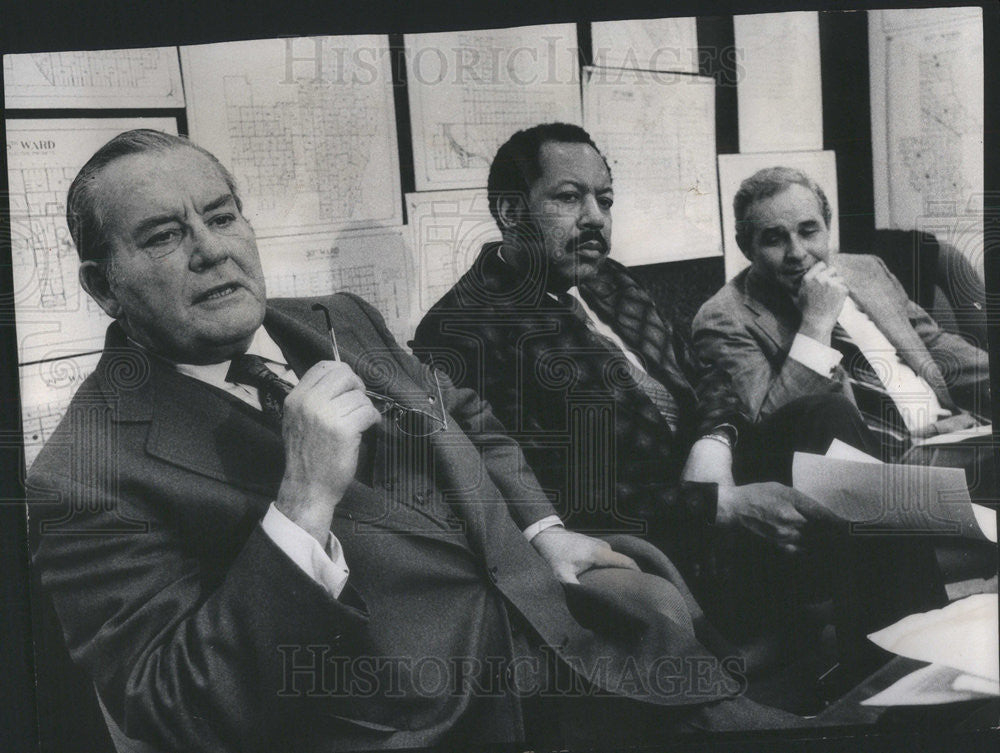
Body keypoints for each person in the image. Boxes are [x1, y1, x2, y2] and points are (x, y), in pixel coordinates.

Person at [25, 130, 805, 753]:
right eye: (164, 235)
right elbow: (180, 709)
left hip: (569, 640)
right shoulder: (85, 474)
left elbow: (464, 411)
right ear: (102, 286)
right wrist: (301, 502)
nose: (210, 248)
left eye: (222, 215)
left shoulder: (337, 319)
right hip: (431, 723)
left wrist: (546, 528)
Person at [411, 124, 945, 670]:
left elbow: (707, 377)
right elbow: (557, 498)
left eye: (605, 199)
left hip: (711, 479)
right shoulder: (463, 330)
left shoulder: (608, 280)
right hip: (658, 535)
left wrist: (714, 444)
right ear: (509, 211)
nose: (594, 217)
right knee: (863, 515)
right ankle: (896, 673)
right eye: (569, 197)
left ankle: (913, 656)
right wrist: (722, 506)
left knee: (826, 416)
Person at [691, 167, 992, 472]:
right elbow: (773, 430)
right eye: (774, 239)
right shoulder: (724, 319)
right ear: (746, 247)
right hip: (876, 471)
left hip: (957, 434)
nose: (797, 252)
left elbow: (937, 346)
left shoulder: (865, 269)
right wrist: (817, 322)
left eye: (809, 231)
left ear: (828, 227)